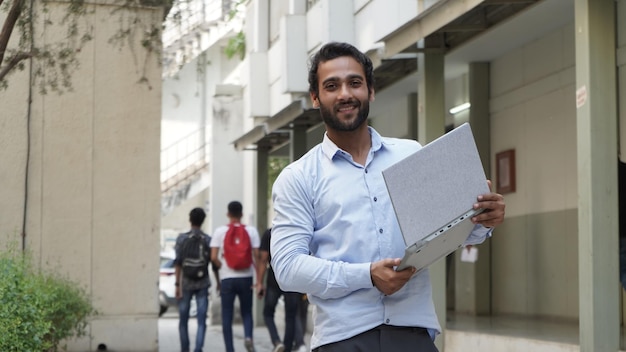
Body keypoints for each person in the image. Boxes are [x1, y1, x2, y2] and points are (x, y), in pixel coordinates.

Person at [270, 42, 506, 352]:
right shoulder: (299, 177)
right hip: (343, 339)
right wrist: (366, 275)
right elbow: (287, 268)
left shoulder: (410, 155)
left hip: (414, 334)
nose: (345, 94)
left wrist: (482, 218)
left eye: (355, 82)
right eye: (331, 86)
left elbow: (445, 232)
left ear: (371, 91)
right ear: (315, 97)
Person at [210, 201, 261, 352]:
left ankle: (230, 349)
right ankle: (248, 338)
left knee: (227, 314)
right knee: (246, 312)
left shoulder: (220, 231)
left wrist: (224, 266)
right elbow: (257, 256)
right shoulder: (251, 231)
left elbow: (213, 257)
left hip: (227, 278)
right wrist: (258, 281)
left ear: (228, 214)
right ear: (242, 214)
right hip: (246, 277)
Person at [174, 207, 219, 352]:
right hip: (203, 282)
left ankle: (185, 349)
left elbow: (178, 263)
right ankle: (198, 349)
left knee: (183, 320)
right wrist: (218, 282)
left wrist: (177, 285)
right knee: (201, 321)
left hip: (186, 283)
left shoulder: (181, 239)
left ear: (190, 220)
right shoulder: (207, 239)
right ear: (203, 221)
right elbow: (213, 264)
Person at [256, 227, 306, 352]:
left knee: (268, 313)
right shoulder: (297, 232)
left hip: (274, 280)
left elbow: (263, 259)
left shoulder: (270, 233)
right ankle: (287, 348)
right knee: (291, 315)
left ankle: (276, 341)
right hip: (292, 280)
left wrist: (259, 283)